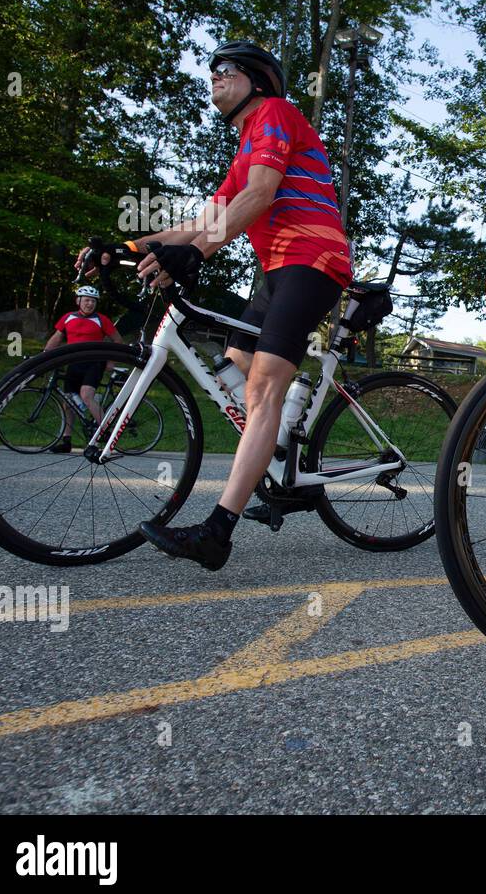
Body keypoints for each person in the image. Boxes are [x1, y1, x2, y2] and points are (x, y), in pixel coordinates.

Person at [79, 40, 353, 569]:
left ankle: (217, 534)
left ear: (256, 79)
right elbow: (205, 219)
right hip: (275, 270)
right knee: (234, 367)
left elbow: (261, 196)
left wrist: (195, 255)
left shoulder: (274, 113)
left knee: (262, 385)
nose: (213, 79)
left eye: (222, 71)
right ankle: (276, 456)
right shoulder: (245, 145)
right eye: (210, 73)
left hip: (312, 259)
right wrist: (131, 247)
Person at [43, 286, 125, 452]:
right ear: (78, 301)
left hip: (94, 362)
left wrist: (111, 361)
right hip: (73, 363)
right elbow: (57, 338)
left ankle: (107, 435)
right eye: (86, 300)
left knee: (86, 395)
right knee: (68, 401)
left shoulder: (101, 319)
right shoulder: (68, 318)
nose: (90, 304)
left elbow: (118, 341)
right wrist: (43, 356)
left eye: (93, 301)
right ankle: (66, 441)